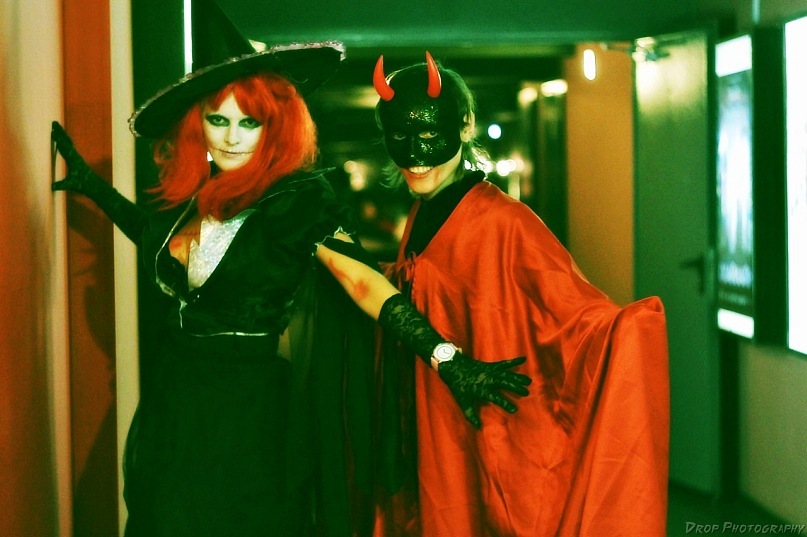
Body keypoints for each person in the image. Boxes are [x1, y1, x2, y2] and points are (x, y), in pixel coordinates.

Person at [50, 2, 530, 535]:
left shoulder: (297, 201)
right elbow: (156, 238)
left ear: (274, 128)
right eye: (218, 120)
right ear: (197, 124)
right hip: (176, 396)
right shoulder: (196, 199)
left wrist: (448, 359)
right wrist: (94, 190)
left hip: (248, 407)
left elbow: (361, 280)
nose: (232, 137)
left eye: (249, 122)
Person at [370, 53, 670, 537]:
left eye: (428, 134)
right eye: (399, 137)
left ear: (465, 125)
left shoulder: (504, 221)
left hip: (490, 428)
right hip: (434, 418)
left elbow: (574, 313)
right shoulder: (424, 213)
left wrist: (630, 329)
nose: (415, 155)